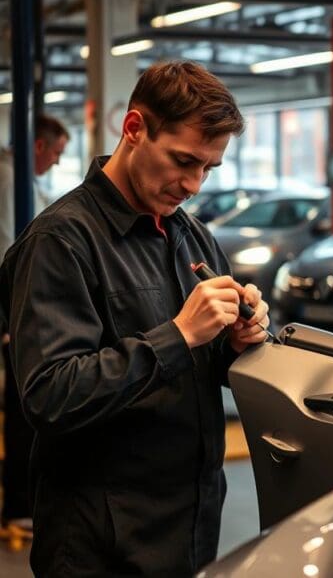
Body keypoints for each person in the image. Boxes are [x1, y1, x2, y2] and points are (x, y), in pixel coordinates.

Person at [0, 61, 270, 575]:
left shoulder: (191, 235)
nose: (193, 184)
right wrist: (180, 333)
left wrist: (234, 342)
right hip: (101, 544)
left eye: (208, 168)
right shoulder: (59, 243)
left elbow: (197, 369)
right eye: (183, 160)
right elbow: (49, 396)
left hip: (187, 526)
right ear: (134, 129)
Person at [0, 114, 69, 535]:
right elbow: (9, 245)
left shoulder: (17, 177)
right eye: (57, 153)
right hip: (14, 305)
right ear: (38, 146)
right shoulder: (11, 179)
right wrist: (12, 313)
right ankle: (18, 506)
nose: (57, 163)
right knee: (23, 403)